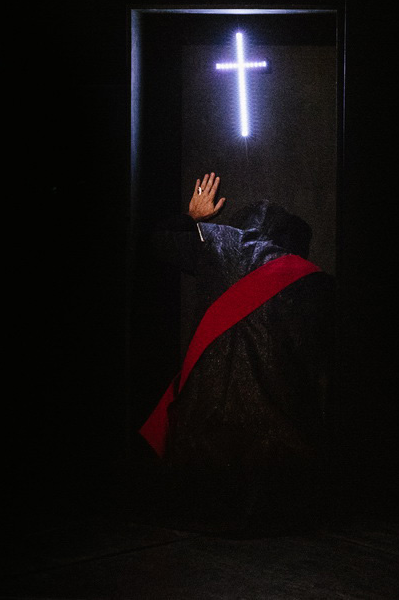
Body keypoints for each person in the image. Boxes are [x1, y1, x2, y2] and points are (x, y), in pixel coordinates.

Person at [140, 172, 336, 537]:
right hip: (277, 473)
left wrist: (192, 218)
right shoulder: (313, 279)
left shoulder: (217, 242)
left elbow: (156, 241)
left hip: (198, 459)